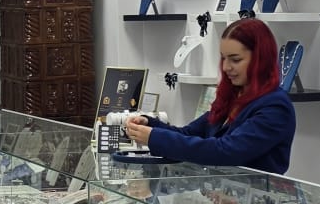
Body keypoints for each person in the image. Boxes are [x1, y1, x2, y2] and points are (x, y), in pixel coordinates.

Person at [123, 18, 296, 173]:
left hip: (260, 196)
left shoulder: (275, 107)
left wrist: (155, 137)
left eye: (235, 60)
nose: (226, 67)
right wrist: (150, 124)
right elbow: (189, 133)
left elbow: (225, 151)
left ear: (260, 59)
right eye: (223, 58)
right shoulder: (232, 97)